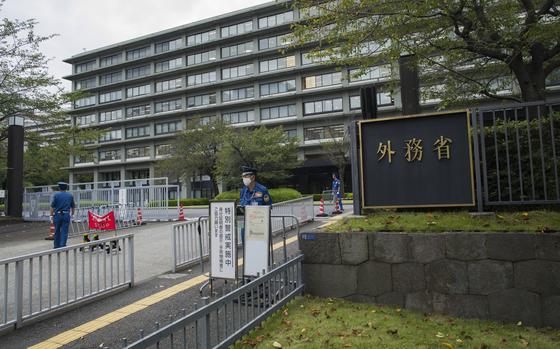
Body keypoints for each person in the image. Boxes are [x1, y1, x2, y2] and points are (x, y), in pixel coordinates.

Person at [50, 182, 75, 248]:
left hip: (57, 215)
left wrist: (51, 215)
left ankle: (56, 245)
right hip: (66, 214)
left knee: (56, 230)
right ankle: (63, 245)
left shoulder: (56, 195)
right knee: (64, 230)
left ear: (59, 187)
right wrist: (72, 214)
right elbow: (73, 206)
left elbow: (52, 206)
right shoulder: (70, 195)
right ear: (66, 188)